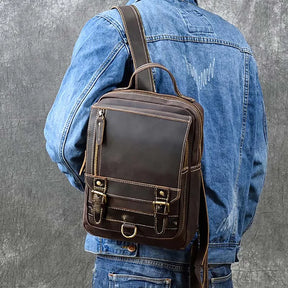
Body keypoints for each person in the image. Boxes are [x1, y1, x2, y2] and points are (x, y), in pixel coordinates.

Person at [44, 0, 268, 287]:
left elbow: (63, 142)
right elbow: (254, 167)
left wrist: (109, 199)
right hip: (214, 267)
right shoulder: (236, 43)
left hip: (134, 258)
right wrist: (221, 236)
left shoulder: (115, 28)